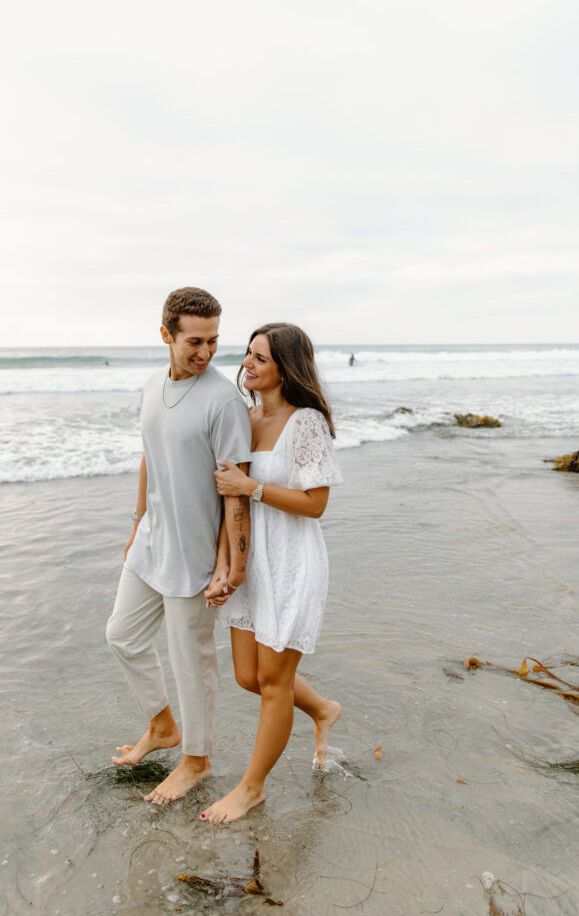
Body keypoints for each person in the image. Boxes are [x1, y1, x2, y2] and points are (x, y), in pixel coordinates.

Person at [106, 287, 252, 805]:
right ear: (166, 335)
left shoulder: (224, 402)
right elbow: (150, 455)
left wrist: (228, 565)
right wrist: (136, 522)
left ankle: (197, 759)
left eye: (214, 341)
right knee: (122, 635)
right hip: (151, 541)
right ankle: (163, 727)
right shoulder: (149, 387)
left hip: (194, 552)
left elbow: (236, 493)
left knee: (191, 658)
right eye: (195, 341)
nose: (206, 353)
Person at [202, 322, 342, 824]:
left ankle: (251, 788)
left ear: (286, 366)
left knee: (274, 682)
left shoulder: (306, 423)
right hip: (251, 562)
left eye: (259, 357)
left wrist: (250, 487)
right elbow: (225, 501)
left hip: (292, 563)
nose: (247, 364)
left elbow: (316, 504)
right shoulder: (244, 418)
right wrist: (224, 565)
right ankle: (324, 709)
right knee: (248, 677)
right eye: (246, 354)